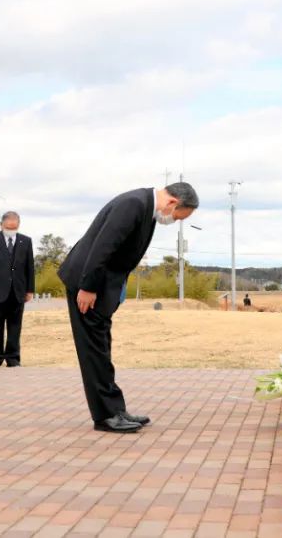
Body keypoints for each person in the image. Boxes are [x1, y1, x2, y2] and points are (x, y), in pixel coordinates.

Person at [58, 182, 199, 433]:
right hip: (88, 284)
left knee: (102, 347)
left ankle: (115, 409)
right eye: (178, 217)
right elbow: (103, 246)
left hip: (102, 286)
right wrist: (89, 287)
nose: (175, 222)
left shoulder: (147, 208)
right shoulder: (134, 204)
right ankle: (105, 416)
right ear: (172, 203)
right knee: (94, 351)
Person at [0, 211, 35, 367]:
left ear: (18, 225)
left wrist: (30, 289)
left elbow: (30, 267)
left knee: (15, 326)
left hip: (18, 291)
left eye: (14, 227)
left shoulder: (26, 241)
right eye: (8, 227)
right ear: (1, 225)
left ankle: (13, 358)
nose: (11, 230)